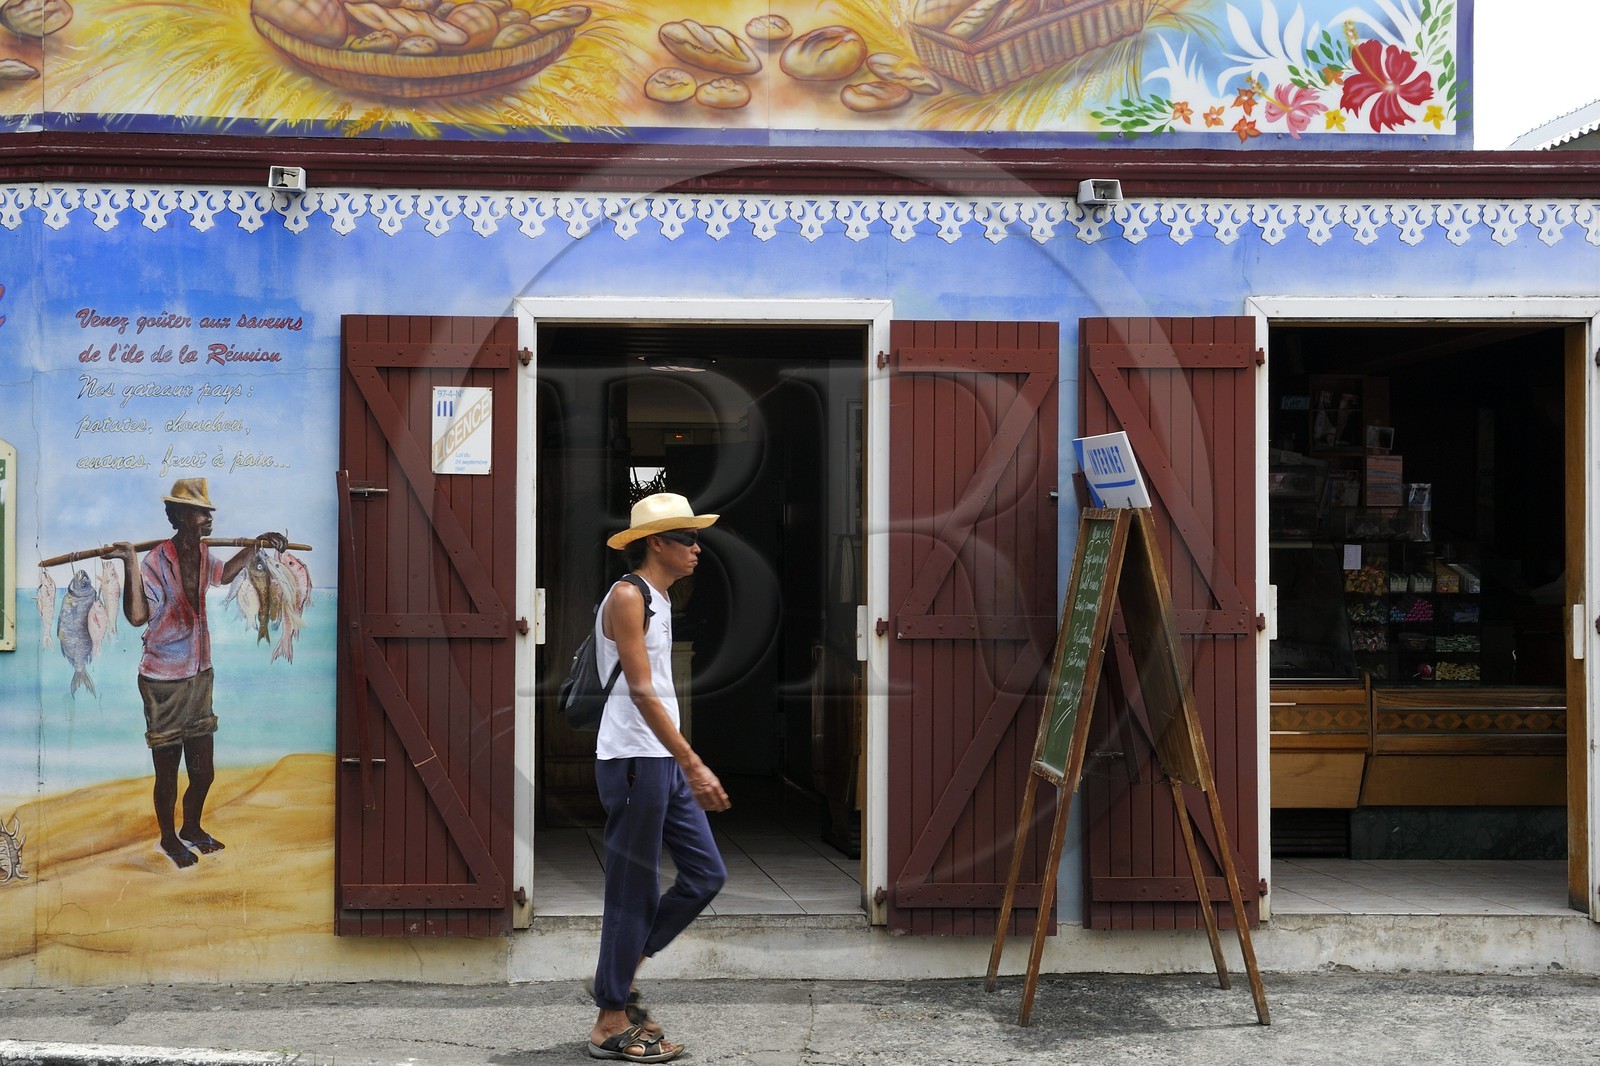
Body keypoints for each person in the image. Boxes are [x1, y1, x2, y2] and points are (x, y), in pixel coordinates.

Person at [587, 493, 730, 1064]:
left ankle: (617, 976)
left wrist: (680, 762)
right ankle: (608, 1021)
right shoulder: (629, 596)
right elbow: (642, 692)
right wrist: (693, 761)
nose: (697, 548)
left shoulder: (662, 600)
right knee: (634, 890)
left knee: (705, 875)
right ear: (656, 543)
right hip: (632, 760)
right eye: (686, 538)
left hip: (659, 760)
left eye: (697, 538)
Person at [109, 478, 286, 869]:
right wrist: (129, 564)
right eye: (201, 512)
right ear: (180, 516)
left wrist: (254, 545)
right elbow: (138, 616)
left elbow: (223, 577)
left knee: (203, 771)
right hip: (162, 682)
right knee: (168, 771)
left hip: (199, 675)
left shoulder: (204, 555)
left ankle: (191, 827)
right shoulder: (156, 560)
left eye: (209, 513)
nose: (208, 519)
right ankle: (170, 839)